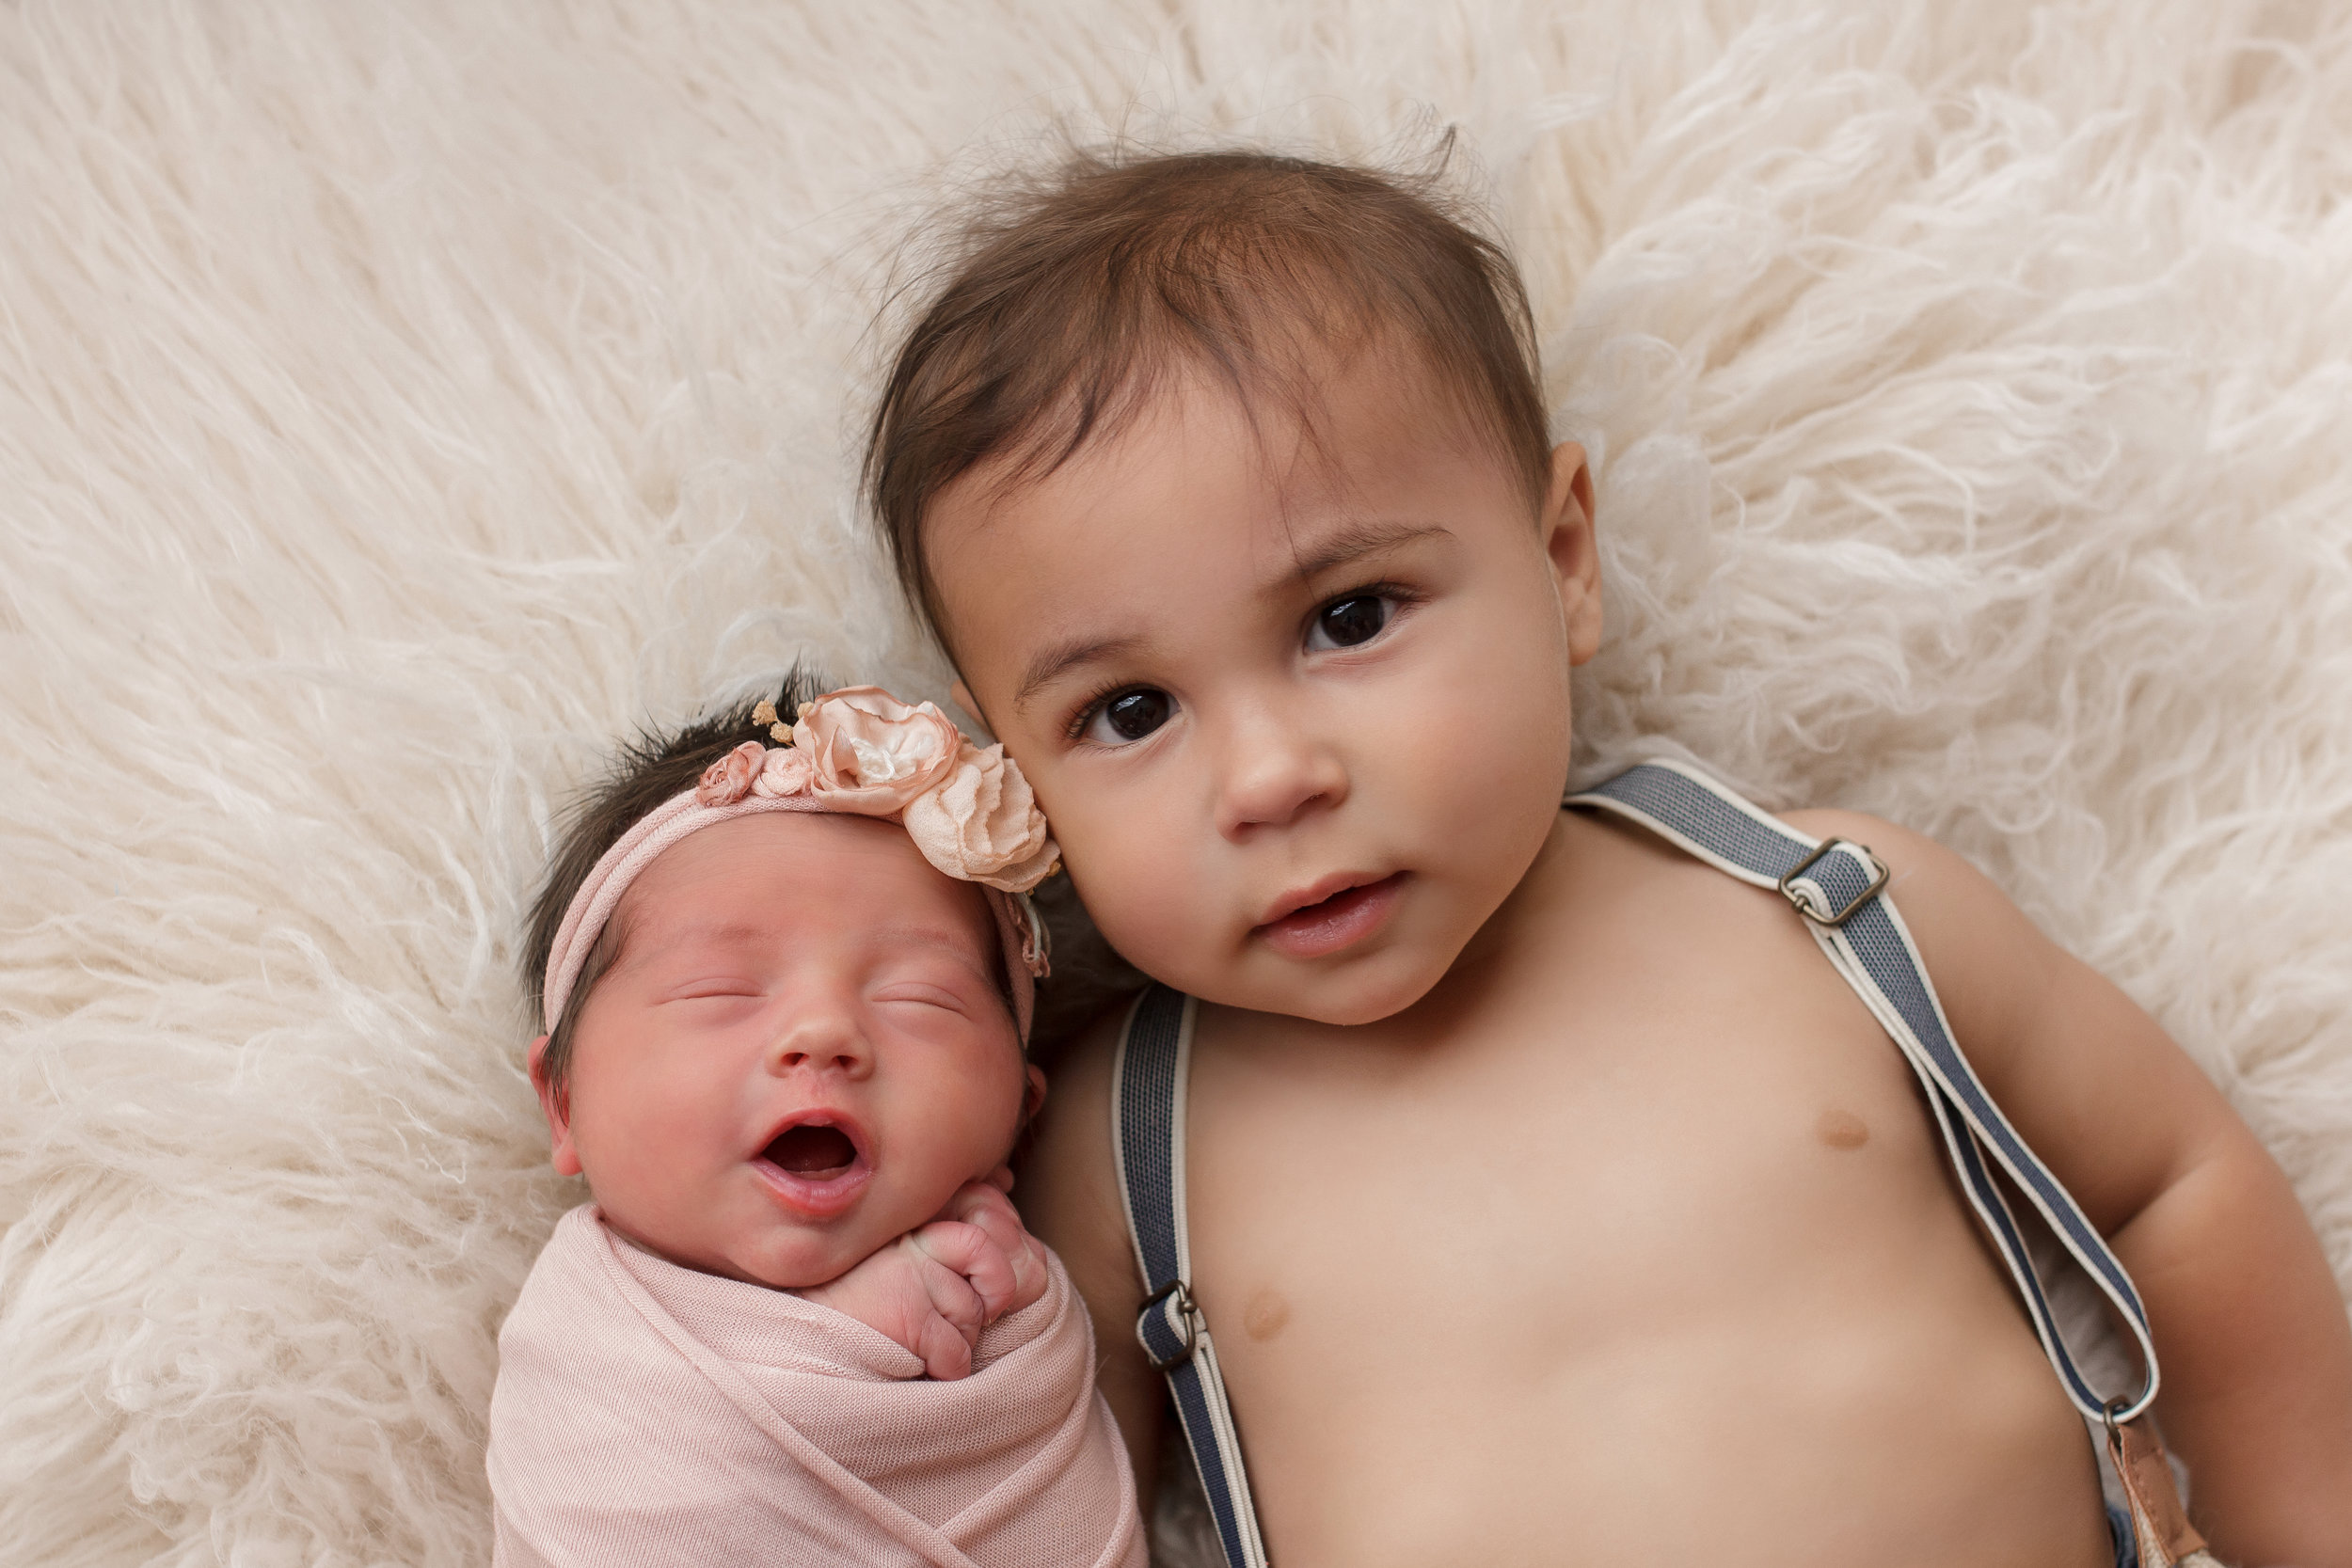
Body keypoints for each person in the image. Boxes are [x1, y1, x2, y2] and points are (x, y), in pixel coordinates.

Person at [861, 148, 2352, 1567]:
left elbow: (2171, 1181)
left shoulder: (1821, 908)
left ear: (1565, 559)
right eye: (1129, 711)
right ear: (1012, 770)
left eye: (1351, 616)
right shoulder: (1120, 1140)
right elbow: (1015, 1497)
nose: (1268, 777)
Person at [485, 676, 1146, 1568]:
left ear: (1019, 1117)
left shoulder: (1018, 1306)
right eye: (719, 989)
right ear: (563, 1103)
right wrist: (859, 1336)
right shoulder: (582, 1350)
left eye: (919, 996)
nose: (824, 1032)